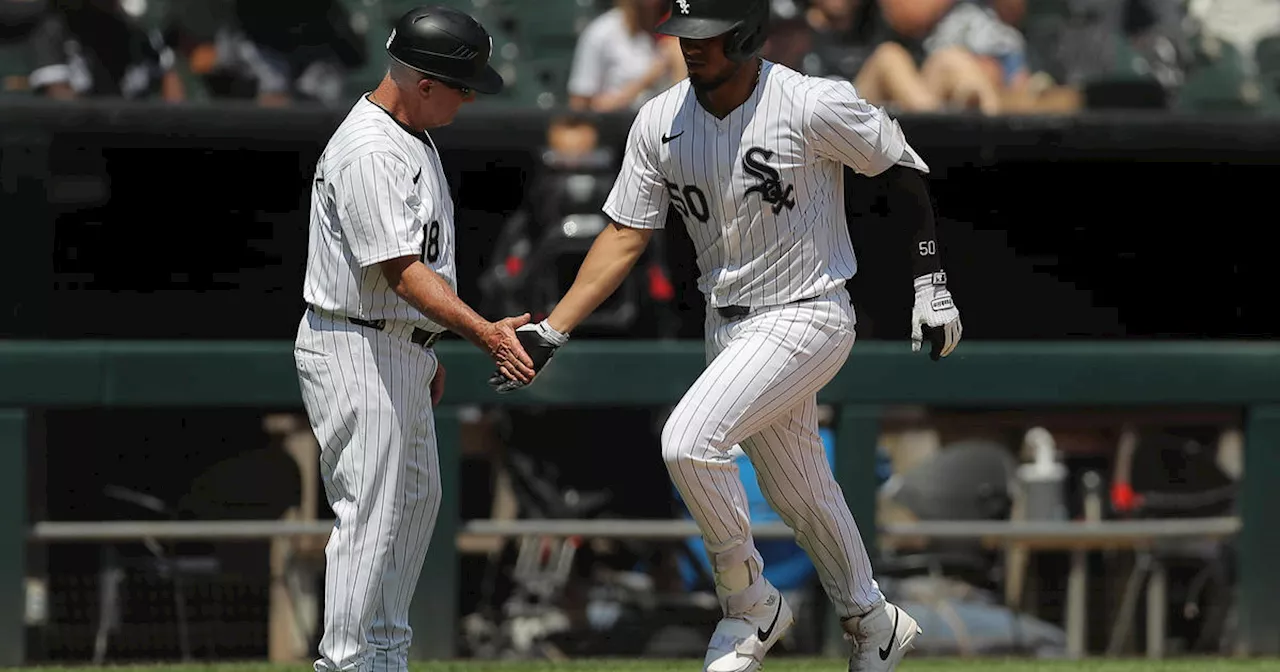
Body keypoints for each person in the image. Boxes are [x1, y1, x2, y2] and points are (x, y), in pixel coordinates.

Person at [488, 0, 963, 671]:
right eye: (684, 34)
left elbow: (903, 168)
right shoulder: (660, 119)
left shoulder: (811, 102)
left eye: (707, 35)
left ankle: (750, 605)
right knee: (801, 491)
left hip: (809, 308)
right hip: (728, 322)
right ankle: (872, 619)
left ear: (745, 34)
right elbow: (625, 234)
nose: (690, 47)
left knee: (687, 443)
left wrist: (930, 280)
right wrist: (554, 328)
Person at [293, 6, 536, 671]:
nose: (468, 97)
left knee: (416, 501)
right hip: (354, 341)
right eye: (462, 85)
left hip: (394, 344)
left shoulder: (411, 134)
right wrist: (483, 332)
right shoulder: (370, 147)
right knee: (370, 510)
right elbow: (401, 274)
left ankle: (384, 657)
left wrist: (423, 345)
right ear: (425, 81)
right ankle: (345, 663)